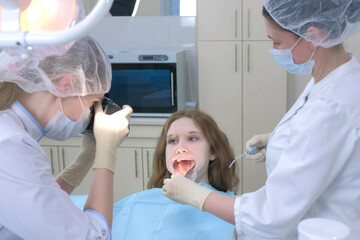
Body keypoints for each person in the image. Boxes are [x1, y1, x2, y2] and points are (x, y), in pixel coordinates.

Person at [162, 0, 360, 239]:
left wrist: (198, 196)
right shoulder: (332, 77)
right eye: (172, 141)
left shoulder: (331, 105)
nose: (275, 50)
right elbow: (320, 140)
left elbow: (270, 215)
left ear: (312, 36)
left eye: (277, 42)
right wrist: (277, 139)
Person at [0, 36, 133, 239]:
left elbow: (37, 210)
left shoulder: (10, 131)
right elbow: (91, 236)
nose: (90, 116)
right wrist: (106, 157)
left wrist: (84, 161)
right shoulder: (10, 145)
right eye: (93, 104)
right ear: (67, 85)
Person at [71, 109, 239, 239]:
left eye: (192, 138)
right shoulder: (140, 202)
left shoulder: (231, 209)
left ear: (213, 152)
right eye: (172, 141)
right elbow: (79, 219)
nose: (180, 147)